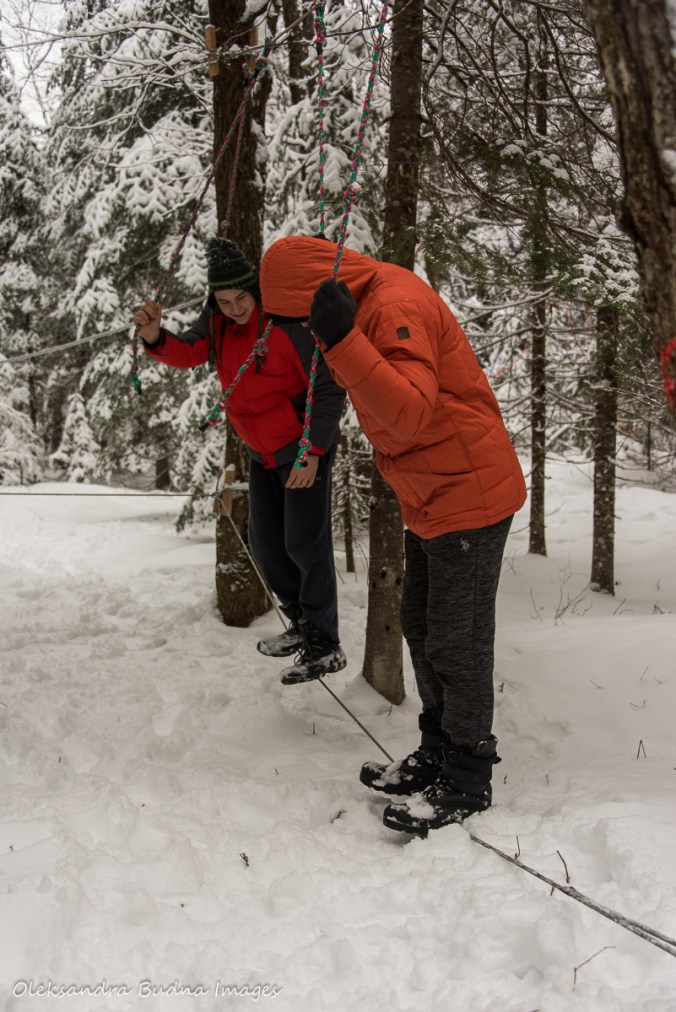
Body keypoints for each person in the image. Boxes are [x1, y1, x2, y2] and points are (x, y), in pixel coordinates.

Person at [259, 235, 527, 837]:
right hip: (435, 494)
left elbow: (407, 411)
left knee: (457, 641)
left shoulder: (391, 305)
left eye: (302, 319)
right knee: (421, 625)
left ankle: (466, 776)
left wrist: (345, 341)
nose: (304, 332)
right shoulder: (365, 304)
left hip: (469, 493)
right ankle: (437, 751)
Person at [133, 237, 347, 684]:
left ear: (256, 290)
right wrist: (154, 337)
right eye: (223, 301)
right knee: (267, 548)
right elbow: (189, 350)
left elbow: (327, 388)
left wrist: (313, 451)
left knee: (304, 545)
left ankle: (326, 643)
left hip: (301, 450)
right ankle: (302, 626)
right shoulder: (217, 325)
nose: (232, 309)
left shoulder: (286, 325)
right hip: (261, 452)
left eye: (240, 298)